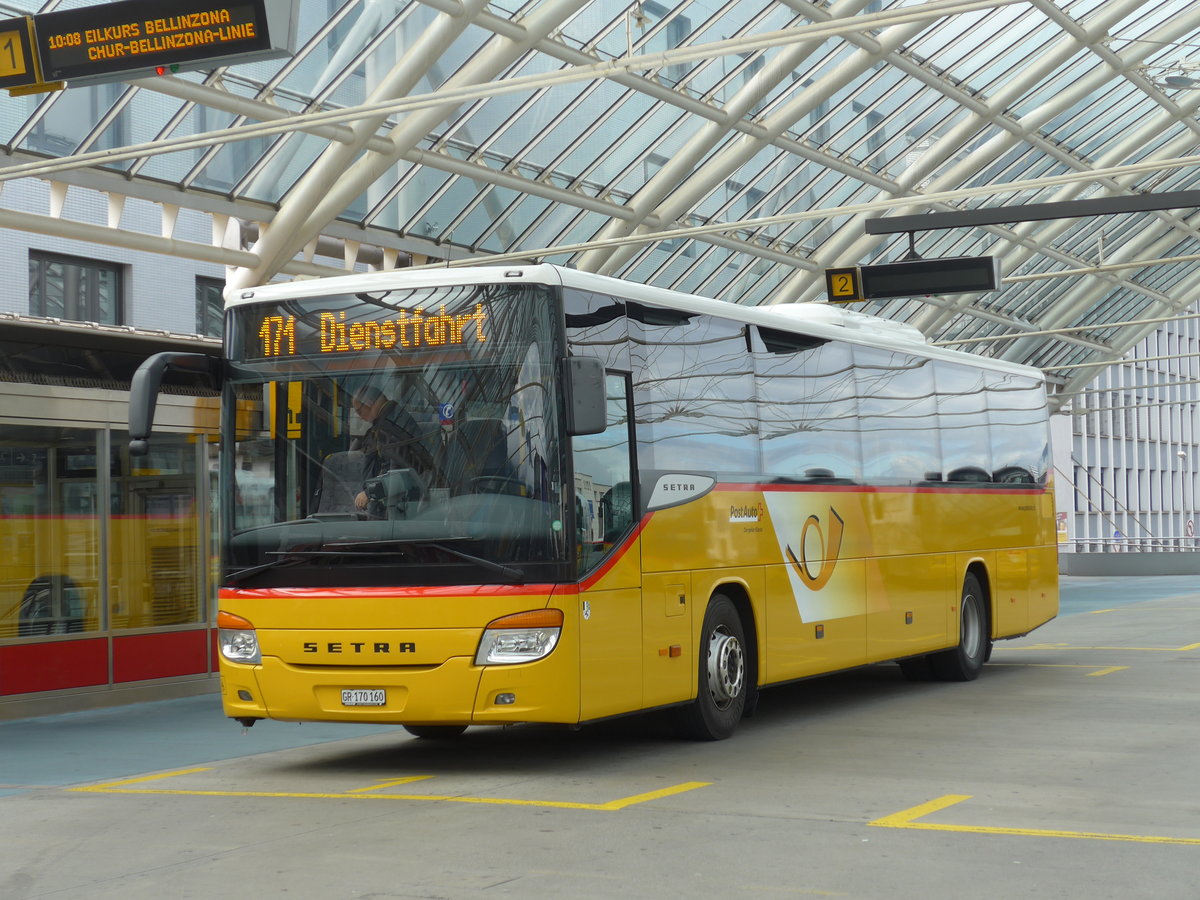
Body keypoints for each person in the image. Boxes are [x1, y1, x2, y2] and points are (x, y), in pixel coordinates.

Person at [351, 386, 439, 513]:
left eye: (359, 411)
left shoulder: (390, 428)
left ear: (369, 403)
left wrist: (369, 492)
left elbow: (396, 470)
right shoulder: (392, 418)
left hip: (396, 507)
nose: (359, 417)